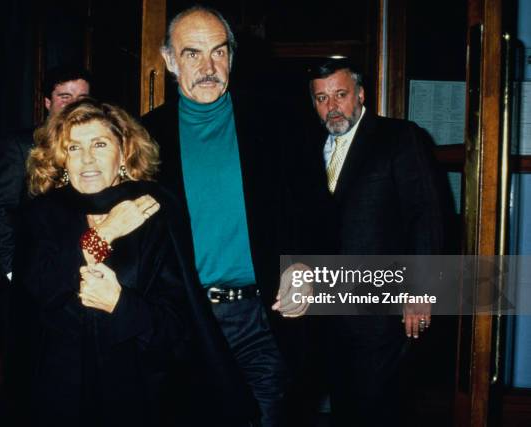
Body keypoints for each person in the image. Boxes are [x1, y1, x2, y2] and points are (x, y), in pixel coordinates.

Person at [142, 6, 304, 427]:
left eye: (219, 52)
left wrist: (304, 266)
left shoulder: (277, 122)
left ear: (232, 55)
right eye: (193, 54)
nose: (209, 67)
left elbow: (314, 210)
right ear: (170, 60)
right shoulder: (142, 138)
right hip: (184, 320)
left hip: (261, 318)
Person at [287, 58, 449, 427]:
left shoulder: (399, 137)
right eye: (321, 98)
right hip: (324, 310)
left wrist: (420, 292)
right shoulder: (306, 149)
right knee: (342, 406)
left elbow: (426, 215)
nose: (332, 107)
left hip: (382, 310)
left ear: (360, 94)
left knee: (378, 409)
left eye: (340, 95)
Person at [9, 98, 189, 426]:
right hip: (58, 390)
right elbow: (38, 294)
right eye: (74, 148)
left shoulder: (155, 210)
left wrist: (121, 305)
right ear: (62, 159)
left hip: (137, 389)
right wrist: (103, 235)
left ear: (124, 152)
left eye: (100, 144)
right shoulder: (42, 214)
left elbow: (178, 324)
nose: (87, 160)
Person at [0, 64, 93, 281]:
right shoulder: (20, 146)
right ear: (47, 102)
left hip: (84, 267)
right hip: (34, 271)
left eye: (82, 97)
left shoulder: (101, 146)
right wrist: (12, 270)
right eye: (65, 97)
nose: (75, 105)